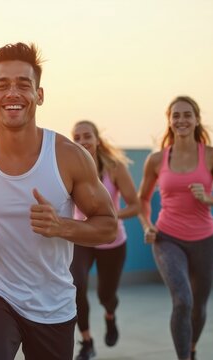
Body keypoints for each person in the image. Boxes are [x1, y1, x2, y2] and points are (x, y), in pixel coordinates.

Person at [0, 42, 118, 360]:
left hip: (52, 303)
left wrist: (61, 226)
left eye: (24, 84)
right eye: (2, 85)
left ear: (40, 94)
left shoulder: (68, 157)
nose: (12, 93)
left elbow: (107, 227)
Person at [137, 96, 213, 360]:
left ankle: (191, 348)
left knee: (198, 307)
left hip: (204, 240)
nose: (181, 120)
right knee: (183, 300)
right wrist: (147, 226)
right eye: (176, 115)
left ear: (196, 119)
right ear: (169, 121)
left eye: (187, 115)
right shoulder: (157, 160)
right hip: (167, 238)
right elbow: (142, 200)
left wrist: (209, 199)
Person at [70, 120, 140, 360]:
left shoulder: (115, 168)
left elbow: (135, 205)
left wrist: (107, 217)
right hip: (82, 238)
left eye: (87, 136)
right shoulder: (69, 168)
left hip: (112, 239)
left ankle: (110, 315)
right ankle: (87, 342)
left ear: (97, 139)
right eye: (76, 138)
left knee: (105, 296)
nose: (82, 142)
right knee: (75, 286)